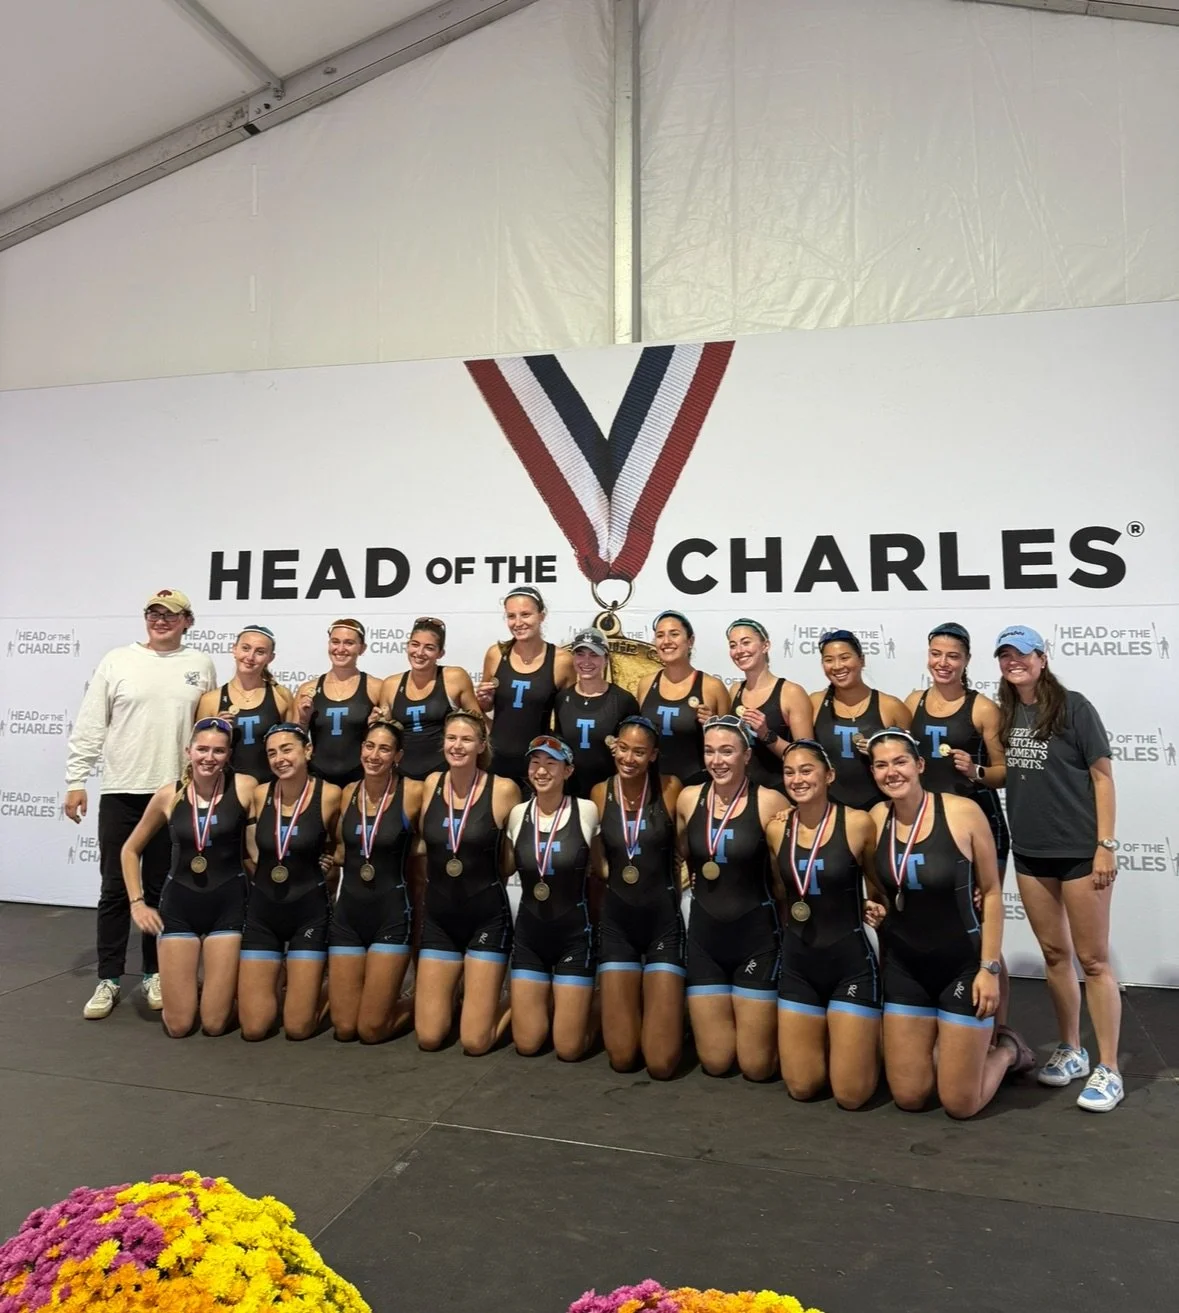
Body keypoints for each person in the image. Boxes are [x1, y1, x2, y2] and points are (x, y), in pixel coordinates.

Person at [64, 589, 217, 1020]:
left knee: (161, 888)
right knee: (115, 888)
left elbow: (208, 732)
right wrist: (76, 779)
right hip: (122, 790)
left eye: (170, 615)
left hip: (174, 793)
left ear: (188, 620)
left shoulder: (200, 665)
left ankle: (155, 972)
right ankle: (109, 977)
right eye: (153, 613)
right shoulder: (118, 660)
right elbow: (93, 723)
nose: (160, 620)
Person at [866, 730, 1034, 1119]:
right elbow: (877, 889)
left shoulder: (962, 812)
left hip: (961, 965)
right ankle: (954, 1048)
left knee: (960, 1103)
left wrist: (989, 969)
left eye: (900, 761)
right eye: (881, 764)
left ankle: (1008, 1051)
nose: (892, 772)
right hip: (905, 967)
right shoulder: (875, 819)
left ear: (919, 765)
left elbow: (991, 893)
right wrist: (872, 908)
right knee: (909, 1096)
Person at [995, 624, 1123, 1112]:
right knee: (1054, 956)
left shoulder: (1074, 706)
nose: (1014, 662)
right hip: (1030, 853)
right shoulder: (1008, 709)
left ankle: (1109, 1067)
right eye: (1005, 656)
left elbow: (1103, 777)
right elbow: (1017, 770)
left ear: (1042, 658)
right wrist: (978, 773)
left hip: (1078, 851)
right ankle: (1073, 1049)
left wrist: (1105, 845)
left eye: (1022, 654)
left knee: (1093, 961)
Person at [119, 717, 252, 1037]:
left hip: (229, 907)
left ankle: (228, 990)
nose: (209, 757)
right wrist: (137, 904)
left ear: (229, 755)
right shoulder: (169, 795)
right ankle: (198, 983)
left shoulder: (245, 787)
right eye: (202, 749)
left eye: (218, 751)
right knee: (178, 1026)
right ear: (188, 751)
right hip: (179, 907)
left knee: (215, 1024)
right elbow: (129, 850)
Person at [905, 622, 1011, 1020]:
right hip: (930, 831)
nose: (943, 663)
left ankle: (1000, 1028)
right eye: (936, 654)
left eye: (953, 656)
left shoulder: (982, 708)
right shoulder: (913, 701)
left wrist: (976, 771)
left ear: (966, 660)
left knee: (984, 926)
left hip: (980, 828)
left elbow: (1004, 772)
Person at [768, 740, 881, 1109]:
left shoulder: (858, 823)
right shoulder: (776, 829)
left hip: (850, 964)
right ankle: (840, 1036)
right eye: (789, 772)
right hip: (799, 964)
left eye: (806, 770)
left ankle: (865, 1039)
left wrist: (878, 907)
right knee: (802, 1087)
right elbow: (781, 895)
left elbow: (882, 886)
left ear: (829, 775)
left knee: (850, 1096)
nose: (797, 779)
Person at [675, 715, 783, 1080]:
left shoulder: (770, 803)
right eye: (709, 751)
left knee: (755, 1068)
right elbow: (678, 853)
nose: (717, 760)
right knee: (717, 1063)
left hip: (755, 938)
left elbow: (788, 874)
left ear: (747, 755)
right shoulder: (689, 799)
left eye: (727, 751)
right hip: (705, 940)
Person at [416, 710, 521, 1054]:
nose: (457, 746)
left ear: (481, 745)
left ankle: (520, 1005)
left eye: (465, 739)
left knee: (475, 1043)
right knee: (430, 1038)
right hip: (440, 919)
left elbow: (509, 858)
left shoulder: (503, 789)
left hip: (485, 916)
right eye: (451, 738)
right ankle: (465, 1002)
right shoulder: (431, 784)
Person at [591, 716, 685, 1079]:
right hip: (618, 924)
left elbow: (688, 842)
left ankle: (674, 1014)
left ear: (653, 755)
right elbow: (599, 857)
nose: (630, 758)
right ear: (615, 746)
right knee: (622, 1058)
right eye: (624, 748)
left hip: (662, 922)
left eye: (640, 752)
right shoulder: (601, 792)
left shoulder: (671, 788)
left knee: (660, 1065)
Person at [239, 724, 342, 1041]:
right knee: (255, 1029)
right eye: (272, 752)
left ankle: (323, 990)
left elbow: (342, 846)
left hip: (308, 911)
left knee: (297, 1029)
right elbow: (249, 849)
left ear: (307, 751)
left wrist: (331, 865)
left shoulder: (330, 795)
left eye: (287, 749)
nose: (279, 758)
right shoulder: (260, 793)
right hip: (263, 911)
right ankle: (282, 980)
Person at [327, 721, 424, 1043]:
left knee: (371, 1030)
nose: (374, 754)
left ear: (398, 755)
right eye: (369, 746)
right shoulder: (347, 793)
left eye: (384, 749)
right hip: (349, 914)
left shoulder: (413, 792)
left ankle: (418, 1004)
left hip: (391, 914)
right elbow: (341, 848)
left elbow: (428, 843)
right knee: (344, 1028)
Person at [508, 735, 602, 1061]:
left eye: (551, 763)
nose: (542, 770)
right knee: (528, 1044)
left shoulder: (587, 811)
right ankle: (545, 1002)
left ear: (568, 770)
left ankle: (596, 1006)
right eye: (535, 762)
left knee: (569, 1049)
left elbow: (605, 867)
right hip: (530, 937)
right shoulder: (517, 814)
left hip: (574, 937)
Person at [475, 588, 575, 790]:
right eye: (511, 616)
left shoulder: (561, 661)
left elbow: (568, 719)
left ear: (542, 615)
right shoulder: (496, 654)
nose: (518, 623)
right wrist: (484, 702)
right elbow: (483, 707)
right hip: (496, 761)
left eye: (526, 614)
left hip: (538, 766)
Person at [810, 629, 910, 810]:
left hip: (882, 809)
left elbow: (911, 763)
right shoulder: (814, 704)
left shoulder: (891, 706)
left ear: (861, 660)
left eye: (845, 657)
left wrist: (880, 751)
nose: (837, 666)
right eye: (829, 660)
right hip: (829, 811)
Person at [377, 618, 480, 780]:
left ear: (440, 653)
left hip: (444, 773)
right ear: (407, 646)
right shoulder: (391, 684)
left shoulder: (454, 677)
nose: (419, 652)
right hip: (403, 775)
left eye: (429, 648)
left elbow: (477, 725)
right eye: (415, 644)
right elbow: (385, 734)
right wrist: (374, 722)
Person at [637, 611, 729, 786]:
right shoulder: (646, 684)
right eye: (660, 635)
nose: (666, 641)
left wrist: (713, 725)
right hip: (654, 787)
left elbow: (732, 744)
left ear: (690, 641)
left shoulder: (712, 687)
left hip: (698, 785)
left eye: (674, 634)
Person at [195, 625, 293, 785]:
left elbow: (294, 747)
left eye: (260, 652)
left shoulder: (281, 696)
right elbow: (199, 751)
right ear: (234, 649)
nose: (250, 657)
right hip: (227, 790)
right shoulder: (211, 700)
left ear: (270, 657)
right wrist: (217, 730)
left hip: (271, 788)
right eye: (245, 648)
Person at [727, 618, 814, 793]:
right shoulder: (735, 689)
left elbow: (808, 758)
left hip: (779, 795)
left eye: (746, 642)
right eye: (733, 645)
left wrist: (766, 735)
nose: (739, 650)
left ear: (765, 645)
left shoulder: (791, 692)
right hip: (741, 794)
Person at [292, 620, 382, 787]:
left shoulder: (375, 687)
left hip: (360, 779)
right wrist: (304, 720)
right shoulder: (308, 689)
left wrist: (374, 727)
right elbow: (294, 742)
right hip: (318, 778)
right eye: (335, 642)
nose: (340, 649)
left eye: (349, 643)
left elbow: (386, 738)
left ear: (362, 648)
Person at [555, 626, 640, 797]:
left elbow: (637, 749)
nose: (586, 661)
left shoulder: (623, 700)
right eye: (580, 654)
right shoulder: (562, 698)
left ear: (606, 659)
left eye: (594, 655)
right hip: (570, 792)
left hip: (610, 793)